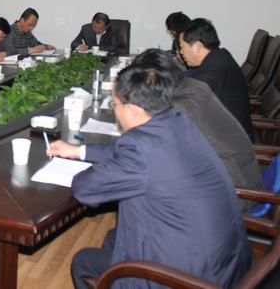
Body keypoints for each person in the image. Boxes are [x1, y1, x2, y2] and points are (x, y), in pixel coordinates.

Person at [49, 63, 252, 289]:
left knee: (83, 261)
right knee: (114, 238)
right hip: (224, 263)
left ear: (132, 110)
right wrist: (79, 151)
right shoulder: (177, 122)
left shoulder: (139, 148)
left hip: (189, 278)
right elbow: (133, 155)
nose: (115, 111)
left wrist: (83, 171)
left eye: (115, 105)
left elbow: (85, 188)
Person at [133, 49, 262, 208]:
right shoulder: (193, 86)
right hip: (240, 176)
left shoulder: (179, 108)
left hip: (234, 192)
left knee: (145, 189)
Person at [178, 18, 254, 141]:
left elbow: (184, 108)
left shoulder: (211, 71)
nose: (181, 52)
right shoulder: (220, 56)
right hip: (227, 135)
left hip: (229, 145)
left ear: (197, 46)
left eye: (182, 47)